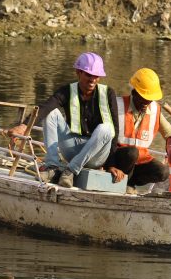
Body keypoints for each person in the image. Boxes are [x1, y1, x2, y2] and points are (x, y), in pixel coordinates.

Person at [10, 51, 119, 188]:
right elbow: (45, 107)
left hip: (96, 154)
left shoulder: (108, 93)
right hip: (73, 149)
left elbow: (115, 129)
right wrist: (25, 125)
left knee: (107, 128)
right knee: (51, 113)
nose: (92, 80)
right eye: (88, 75)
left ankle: (70, 171)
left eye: (96, 76)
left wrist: (111, 165)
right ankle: (52, 166)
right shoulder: (67, 91)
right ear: (78, 73)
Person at [108, 68, 171, 189]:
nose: (147, 102)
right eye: (143, 98)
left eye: (149, 99)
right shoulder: (116, 105)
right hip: (118, 158)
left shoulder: (154, 110)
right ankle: (123, 184)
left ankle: (130, 183)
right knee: (131, 152)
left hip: (140, 162)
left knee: (162, 172)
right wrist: (109, 165)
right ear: (134, 93)